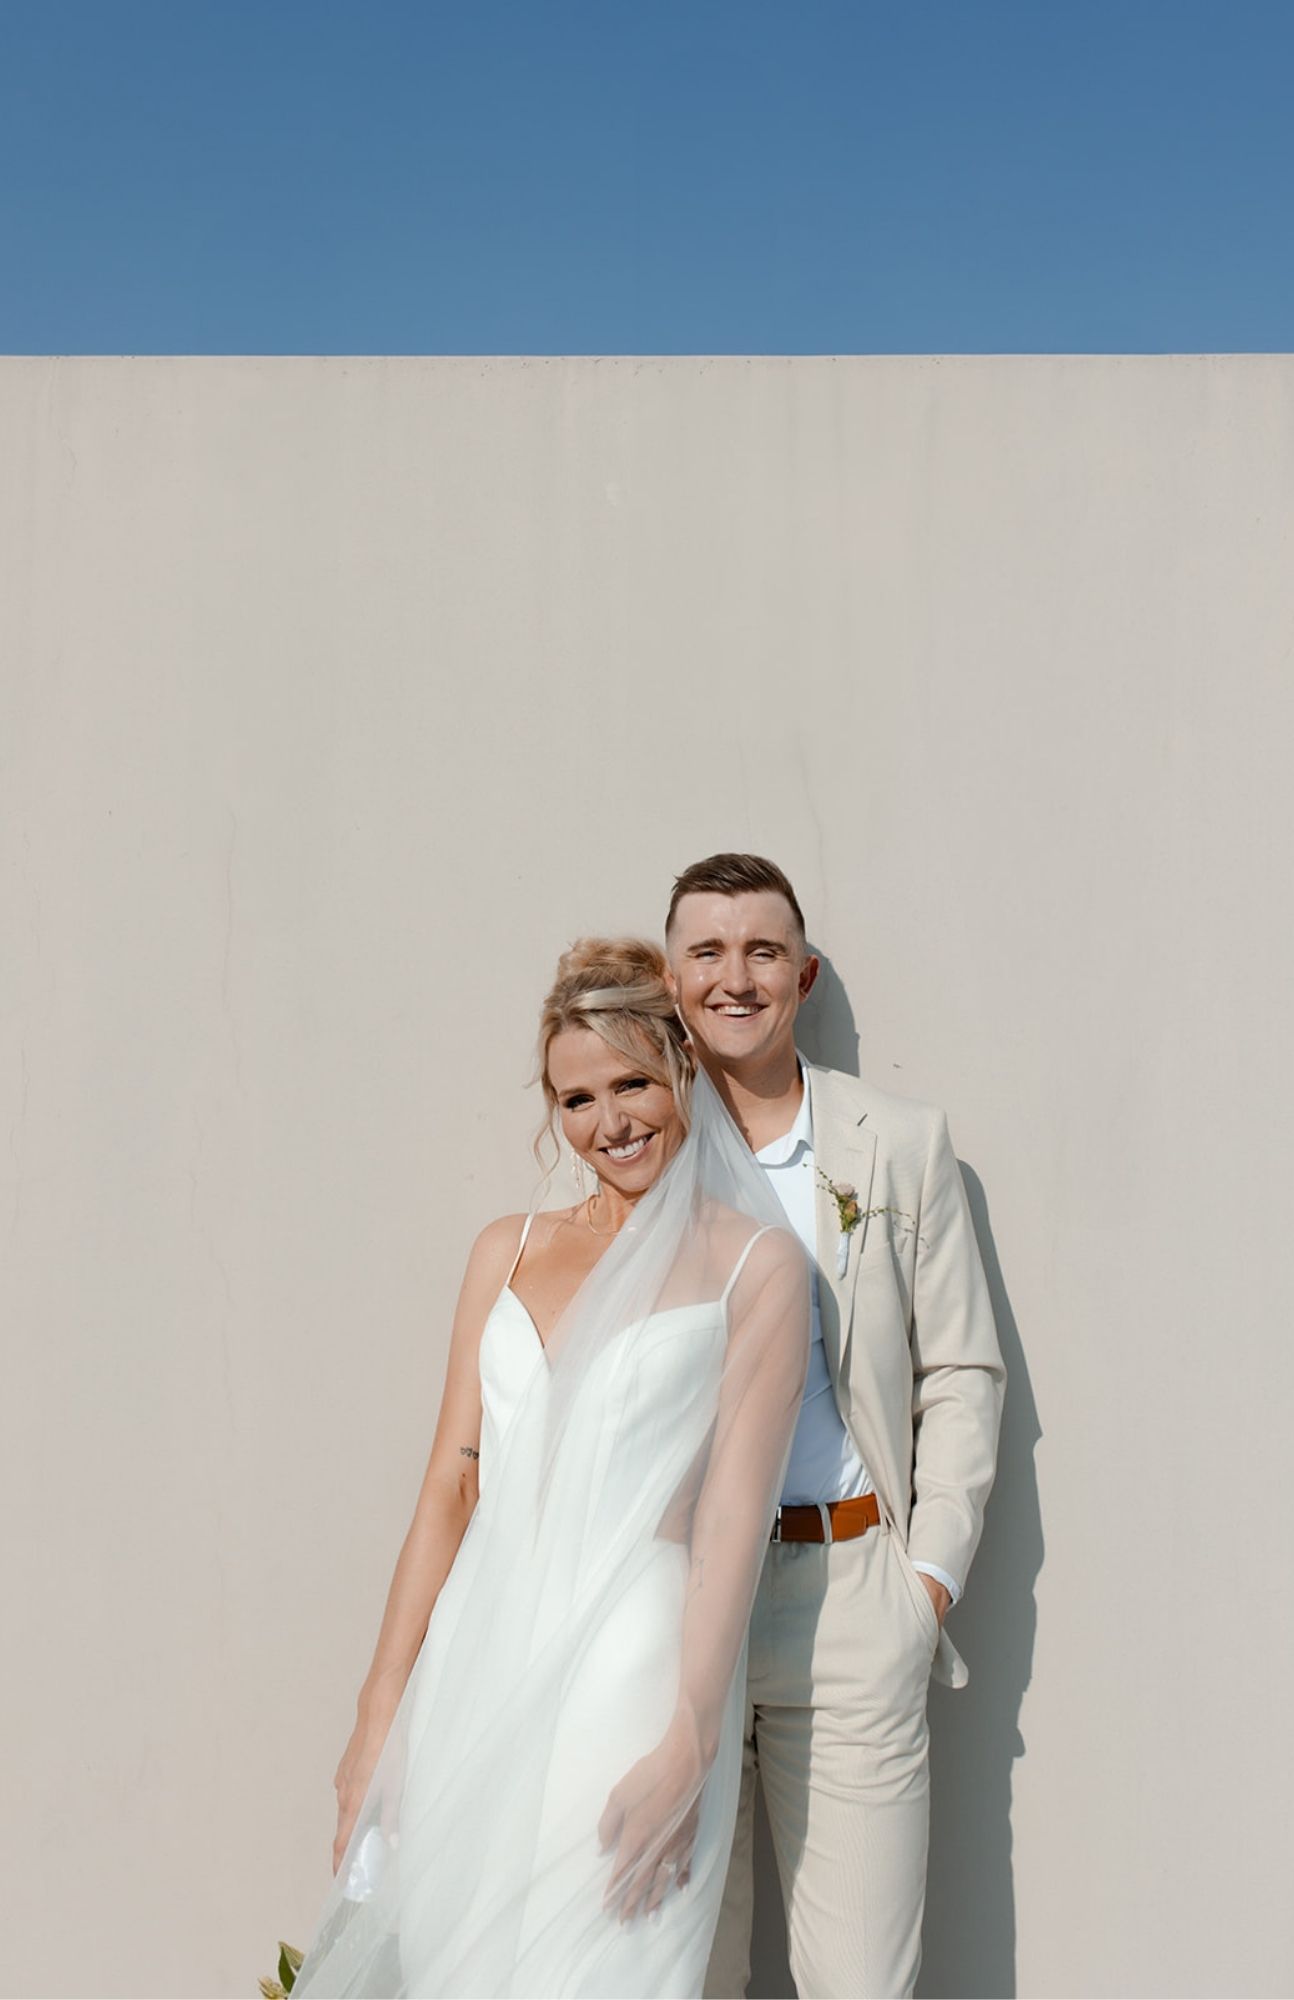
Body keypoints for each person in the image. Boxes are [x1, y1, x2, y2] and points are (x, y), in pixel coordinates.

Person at [290, 937, 810, 1998]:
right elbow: (449, 1483)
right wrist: (377, 1714)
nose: (609, 1122)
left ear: (680, 1072)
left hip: (631, 1668)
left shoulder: (757, 1267)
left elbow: (729, 1523)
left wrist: (691, 1738)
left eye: (632, 1082)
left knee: (599, 1970)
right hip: (475, 1660)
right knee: (451, 1963)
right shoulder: (507, 1248)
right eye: (576, 1098)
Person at [661, 854, 1006, 2000]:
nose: (735, 975)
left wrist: (929, 1579)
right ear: (671, 980)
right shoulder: (638, 1146)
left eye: (762, 949)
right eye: (706, 950)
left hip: (854, 1592)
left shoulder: (898, 1141)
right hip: (671, 1609)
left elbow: (961, 1367)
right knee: (674, 1969)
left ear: (800, 974)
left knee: (860, 1981)